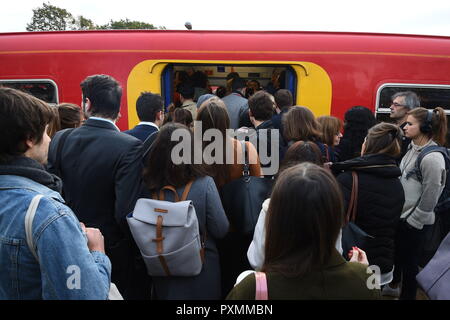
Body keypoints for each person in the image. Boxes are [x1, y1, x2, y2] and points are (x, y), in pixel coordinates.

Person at [0, 87, 111, 299]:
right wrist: (97, 252)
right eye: (45, 132)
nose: (50, 140)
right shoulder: (47, 213)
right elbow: (85, 295)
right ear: (29, 139)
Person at [47, 74, 148, 299]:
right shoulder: (129, 146)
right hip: (112, 249)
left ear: (87, 104)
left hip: (67, 244)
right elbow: (125, 211)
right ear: (118, 107)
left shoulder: (61, 139)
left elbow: (52, 194)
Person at [227, 163, 381, 300]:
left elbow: (256, 259)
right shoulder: (365, 280)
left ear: (276, 222)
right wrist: (359, 273)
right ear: (335, 220)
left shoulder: (252, 289)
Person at [141, 123, 229, 299]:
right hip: (201, 270)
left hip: (163, 270)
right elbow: (221, 229)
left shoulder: (147, 185)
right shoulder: (205, 184)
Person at [195, 97, 262, 297]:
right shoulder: (245, 149)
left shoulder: (190, 152)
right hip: (238, 228)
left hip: (201, 232)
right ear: (227, 122)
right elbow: (258, 185)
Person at [383, 107, 448, 300]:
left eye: (410, 123)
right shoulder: (412, 148)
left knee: (410, 267)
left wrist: (414, 221)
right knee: (402, 261)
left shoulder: (432, 158)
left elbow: (432, 194)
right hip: (404, 218)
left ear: (426, 127)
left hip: (414, 223)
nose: (404, 126)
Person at [331, 122, 405, 285]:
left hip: (352, 259)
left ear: (368, 144)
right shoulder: (397, 182)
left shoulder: (348, 179)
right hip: (382, 263)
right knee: (372, 293)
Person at [247, 141, 328, 271]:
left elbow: (257, 258)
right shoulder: (329, 205)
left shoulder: (271, 207)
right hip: (320, 283)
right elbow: (336, 251)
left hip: (278, 281)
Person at [389, 91, 420, 159]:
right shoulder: (393, 128)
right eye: (392, 104)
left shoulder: (411, 131)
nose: (391, 107)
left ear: (408, 109)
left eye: (396, 105)